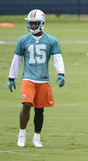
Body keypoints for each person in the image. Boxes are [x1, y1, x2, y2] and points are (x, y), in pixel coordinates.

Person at [8, 9, 65, 147]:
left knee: (39, 110)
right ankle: (22, 134)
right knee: (26, 104)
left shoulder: (51, 40)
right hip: (28, 78)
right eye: (30, 23)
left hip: (43, 79)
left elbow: (57, 58)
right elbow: (17, 59)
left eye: (35, 23)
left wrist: (61, 73)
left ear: (42, 23)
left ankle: (36, 137)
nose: (32, 26)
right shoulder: (23, 40)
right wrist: (12, 77)